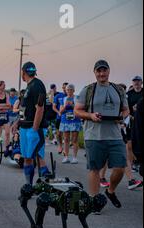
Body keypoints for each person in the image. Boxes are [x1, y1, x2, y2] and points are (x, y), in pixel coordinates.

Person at [75, 60, 129, 210]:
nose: (101, 73)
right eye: (99, 71)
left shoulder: (118, 90)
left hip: (115, 135)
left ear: (109, 71)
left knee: (120, 167)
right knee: (95, 169)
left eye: (104, 70)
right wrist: (91, 115)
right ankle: (94, 202)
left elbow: (126, 109)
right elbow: (77, 110)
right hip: (94, 135)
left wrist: (122, 116)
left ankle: (110, 191)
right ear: (95, 73)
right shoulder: (88, 90)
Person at [18, 62, 51, 185]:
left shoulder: (37, 85)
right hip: (25, 126)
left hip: (34, 128)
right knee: (27, 158)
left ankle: (45, 184)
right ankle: (29, 185)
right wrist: (18, 122)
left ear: (23, 72)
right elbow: (27, 108)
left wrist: (34, 129)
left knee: (38, 156)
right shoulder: (29, 86)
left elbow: (40, 108)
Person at [59, 84, 82, 164]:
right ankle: (66, 157)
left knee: (75, 139)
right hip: (65, 120)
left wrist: (72, 105)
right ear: (65, 90)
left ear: (74, 90)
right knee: (66, 139)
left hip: (75, 120)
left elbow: (80, 109)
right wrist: (65, 106)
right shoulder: (63, 99)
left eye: (71, 89)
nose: (69, 91)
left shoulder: (77, 98)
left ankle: (75, 157)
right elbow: (60, 112)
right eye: (67, 89)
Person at [0, 81, 12, 155]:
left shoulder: (6, 94)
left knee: (7, 133)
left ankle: (7, 148)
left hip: (5, 115)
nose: (4, 87)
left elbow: (9, 105)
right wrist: (4, 106)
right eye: (3, 85)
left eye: (5, 85)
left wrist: (1, 106)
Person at [52, 83, 68, 154]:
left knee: (66, 134)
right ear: (62, 88)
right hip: (59, 117)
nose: (65, 89)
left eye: (66, 88)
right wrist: (58, 112)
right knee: (58, 134)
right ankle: (60, 146)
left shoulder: (71, 96)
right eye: (64, 87)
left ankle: (65, 149)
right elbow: (54, 107)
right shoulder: (58, 96)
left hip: (68, 118)